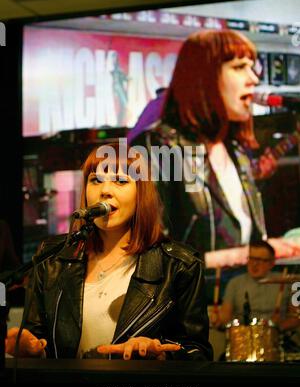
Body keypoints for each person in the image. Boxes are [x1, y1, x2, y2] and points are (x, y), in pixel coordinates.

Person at [5, 142, 213, 361]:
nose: (105, 191)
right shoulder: (53, 257)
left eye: (121, 181)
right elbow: (38, 340)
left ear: (141, 193)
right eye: (95, 180)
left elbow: (198, 352)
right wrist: (30, 349)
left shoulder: (180, 265)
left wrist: (160, 355)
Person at [130, 29, 300, 268]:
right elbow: (148, 261)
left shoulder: (235, 151)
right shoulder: (156, 147)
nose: (253, 78)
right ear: (205, 77)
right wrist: (241, 256)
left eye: (253, 67)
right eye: (240, 67)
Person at [212, 240, 300, 331]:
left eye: (260, 260)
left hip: (277, 339)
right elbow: (225, 316)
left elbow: (296, 318)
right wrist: (218, 320)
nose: (254, 264)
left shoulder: (287, 282)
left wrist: (278, 326)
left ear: (271, 263)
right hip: (243, 337)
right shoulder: (234, 283)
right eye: (252, 259)